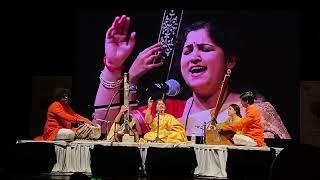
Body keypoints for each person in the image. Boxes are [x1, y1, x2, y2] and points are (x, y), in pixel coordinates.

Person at [93, 14, 291, 140]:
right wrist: (114, 67)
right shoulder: (169, 110)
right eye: (187, 50)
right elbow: (104, 131)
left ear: (229, 61)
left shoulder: (255, 111)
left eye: (205, 49)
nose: (194, 57)